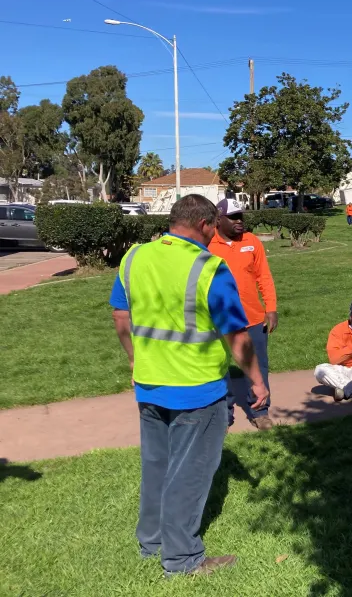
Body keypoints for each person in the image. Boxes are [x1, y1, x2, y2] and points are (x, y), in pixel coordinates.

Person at [109, 194, 268, 577]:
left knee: (157, 465)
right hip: (197, 390)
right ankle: (181, 559)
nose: (214, 234)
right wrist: (257, 381)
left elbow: (121, 318)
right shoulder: (210, 268)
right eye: (213, 227)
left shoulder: (134, 258)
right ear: (204, 225)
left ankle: (152, 542)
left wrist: (134, 359)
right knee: (190, 473)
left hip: (150, 384)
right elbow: (238, 337)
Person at [208, 198, 278, 431]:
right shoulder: (207, 244)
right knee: (218, 367)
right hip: (217, 319)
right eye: (233, 217)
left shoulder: (252, 241)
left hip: (252, 317)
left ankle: (260, 412)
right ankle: (224, 414)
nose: (240, 221)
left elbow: (264, 277)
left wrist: (270, 308)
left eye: (241, 216)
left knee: (259, 364)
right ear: (219, 220)